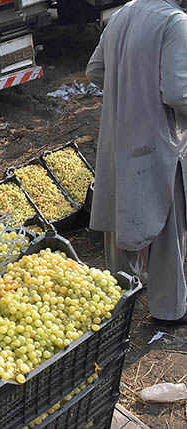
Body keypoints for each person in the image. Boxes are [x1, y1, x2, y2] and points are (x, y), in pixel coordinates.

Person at [85, 0, 187, 323]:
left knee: (120, 207)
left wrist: (125, 90)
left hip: (118, 133)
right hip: (158, 139)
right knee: (167, 219)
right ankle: (168, 310)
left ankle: (119, 297)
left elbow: (95, 71)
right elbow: (176, 91)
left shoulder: (120, 16)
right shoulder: (175, 22)